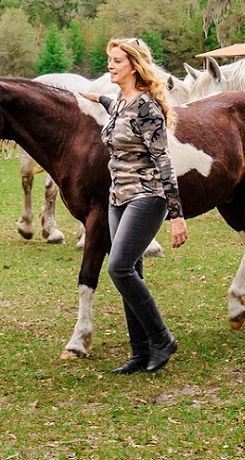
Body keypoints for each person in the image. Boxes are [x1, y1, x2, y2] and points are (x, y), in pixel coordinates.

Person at [82, 37, 188, 374]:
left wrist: (176, 215)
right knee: (133, 270)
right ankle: (140, 352)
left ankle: (162, 339)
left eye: (116, 61)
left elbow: (165, 161)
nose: (110, 66)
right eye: (109, 60)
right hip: (118, 198)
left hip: (147, 196)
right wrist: (92, 97)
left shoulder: (147, 108)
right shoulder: (121, 103)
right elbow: (112, 107)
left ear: (134, 65)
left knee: (119, 267)